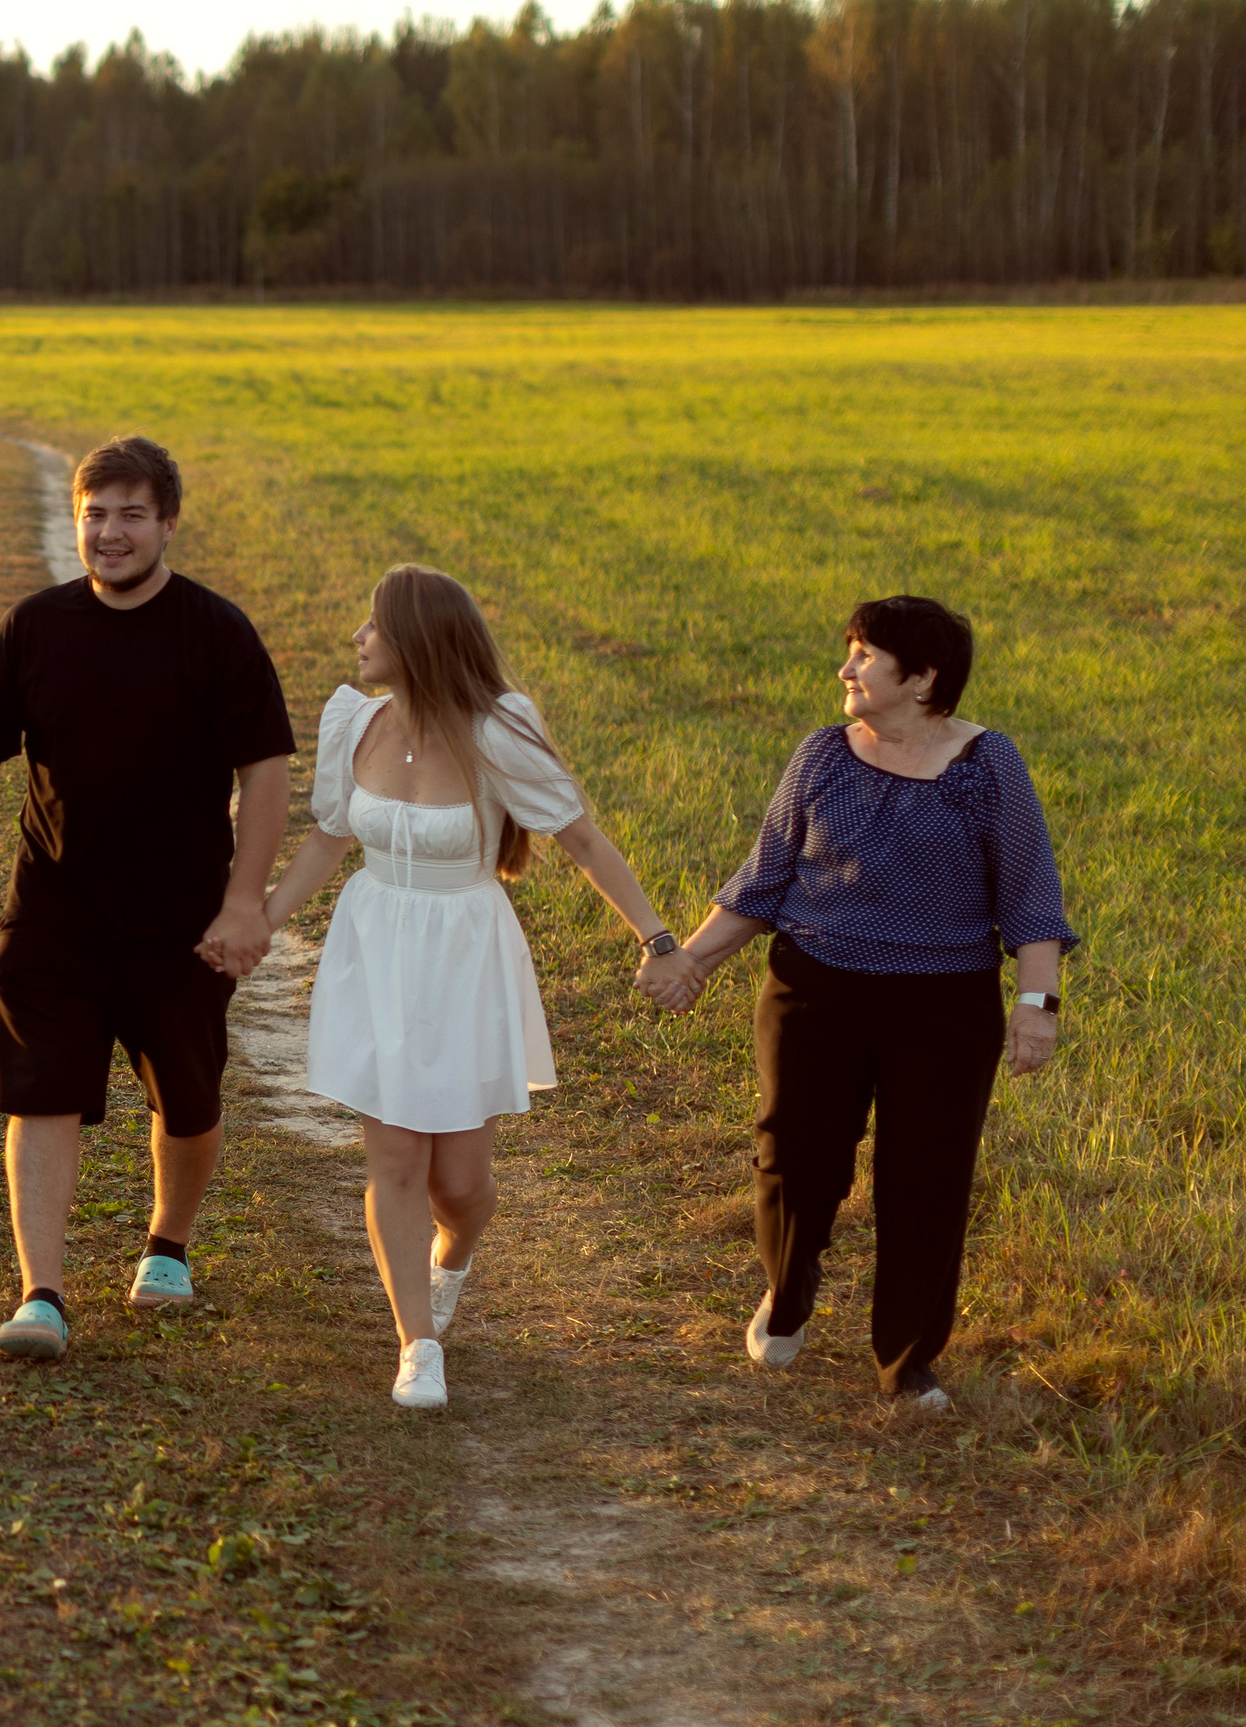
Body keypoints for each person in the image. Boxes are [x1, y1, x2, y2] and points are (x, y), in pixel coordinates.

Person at [0, 435, 294, 1361]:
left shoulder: (217, 632)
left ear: (168, 524)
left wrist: (244, 904)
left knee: (188, 1100)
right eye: (95, 514)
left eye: (130, 515)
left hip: (183, 920)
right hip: (55, 910)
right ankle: (43, 1293)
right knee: (43, 1093)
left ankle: (168, 1246)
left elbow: (265, 774)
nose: (110, 534)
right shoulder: (35, 628)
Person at [260, 566, 696, 1409]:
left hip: (464, 949)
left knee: (457, 1182)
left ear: (417, 641)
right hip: (377, 942)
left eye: (374, 626)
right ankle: (417, 1344)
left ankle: (453, 1252)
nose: (359, 639)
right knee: (391, 1156)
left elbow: (582, 842)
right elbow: (325, 842)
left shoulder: (498, 729)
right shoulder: (354, 721)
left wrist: (660, 940)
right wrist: (261, 924)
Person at [655, 595, 1073, 1415]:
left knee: (926, 1178)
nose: (845, 670)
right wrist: (690, 960)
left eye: (864, 657)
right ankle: (788, 1288)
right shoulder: (822, 757)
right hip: (815, 987)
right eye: (850, 652)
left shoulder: (989, 767)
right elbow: (764, 880)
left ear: (921, 679)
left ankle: (908, 1360)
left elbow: (1032, 897)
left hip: (943, 1007)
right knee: (795, 1156)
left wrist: (1037, 1004)